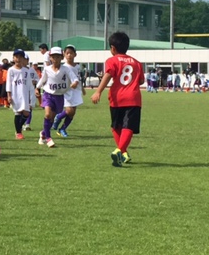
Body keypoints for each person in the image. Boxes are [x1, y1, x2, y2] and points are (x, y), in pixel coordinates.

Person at [91, 32, 145, 167]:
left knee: (116, 125)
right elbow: (141, 81)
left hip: (116, 98)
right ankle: (121, 151)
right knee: (129, 126)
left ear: (113, 48)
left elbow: (108, 75)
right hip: (133, 98)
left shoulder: (112, 61)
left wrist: (98, 91)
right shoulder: (137, 63)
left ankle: (121, 151)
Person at [34, 47, 79, 148]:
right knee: (47, 114)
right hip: (48, 95)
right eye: (53, 57)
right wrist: (37, 88)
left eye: (58, 57)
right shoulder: (47, 69)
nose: (55, 59)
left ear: (61, 57)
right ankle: (49, 138)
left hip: (59, 96)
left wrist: (75, 83)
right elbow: (42, 80)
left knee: (51, 118)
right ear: (50, 58)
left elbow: (74, 79)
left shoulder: (66, 69)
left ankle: (43, 134)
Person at [52, 45, 85, 138]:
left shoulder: (78, 67)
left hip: (76, 91)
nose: (69, 55)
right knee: (69, 110)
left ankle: (62, 128)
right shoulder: (64, 67)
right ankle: (58, 117)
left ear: (75, 54)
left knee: (73, 112)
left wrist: (82, 88)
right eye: (67, 53)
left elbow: (79, 79)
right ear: (64, 55)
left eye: (71, 53)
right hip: (67, 91)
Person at [6, 49, 34, 140]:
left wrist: (31, 97)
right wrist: (9, 95)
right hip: (15, 94)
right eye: (16, 57)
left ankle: (19, 127)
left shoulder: (26, 71)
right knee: (18, 113)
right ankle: (18, 132)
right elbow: (9, 83)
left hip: (24, 95)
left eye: (20, 57)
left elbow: (29, 85)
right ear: (13, 58)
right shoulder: (11, 70)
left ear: (23, 59)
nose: (18, 59)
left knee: (26, 113)